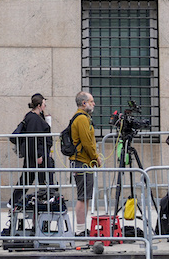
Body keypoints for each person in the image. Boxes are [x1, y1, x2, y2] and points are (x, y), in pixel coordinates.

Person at [11, 93, 53, 210]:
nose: (45, 106)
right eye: (44, 104)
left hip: (36, 154)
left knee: (30, 178)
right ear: (39, 105)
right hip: (36, 154)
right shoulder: (34, 119)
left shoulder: (34, 117)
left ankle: (15, 201)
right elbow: (34, 139)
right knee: (33, 178)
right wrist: (38, 155)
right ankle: (14, 201)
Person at [69, 91, 100, 238]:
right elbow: (87, 142)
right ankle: (80, 230)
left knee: (86, 196)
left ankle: (82, 229)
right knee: (83, 197)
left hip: (84, 162)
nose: (93, 104)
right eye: (91, 101)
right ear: (84, 103)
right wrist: (96, 158)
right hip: (82, 162)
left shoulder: (83, 118)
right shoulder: (81, 119)